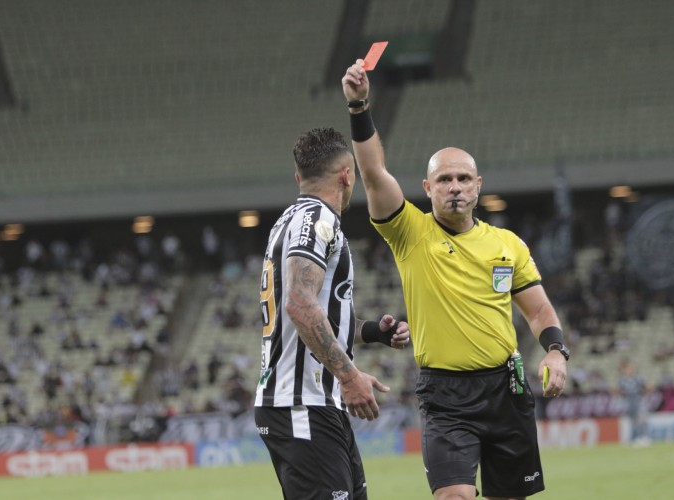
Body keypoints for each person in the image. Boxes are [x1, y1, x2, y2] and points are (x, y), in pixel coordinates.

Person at [341, 61, 569, 500]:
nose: (455, 187)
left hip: (507, 388)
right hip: (445, 396)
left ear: (479, 185)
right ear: (427, 187)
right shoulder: (410, 233)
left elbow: (539, 311)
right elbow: (372, 174)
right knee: (454, 496)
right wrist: (358, 105)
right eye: (444, 179)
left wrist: (556, 353)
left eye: (464, 178)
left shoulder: (508, 245)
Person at [254, 127, 410, 500]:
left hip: (312, 403)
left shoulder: (289, 221)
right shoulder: (318, 221)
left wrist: (372, 331)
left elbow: (315, 311)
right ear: (347, 174)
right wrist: (348, 374)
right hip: (301, 403)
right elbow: (299, 304)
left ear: (298, 177)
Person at [618, 360, 651, 446]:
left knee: (641, 419)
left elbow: (646, 387)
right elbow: (621, 391)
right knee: (633, 421)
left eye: (630, 369)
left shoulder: (638, 378)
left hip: (638, 400)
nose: (628, 371)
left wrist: (642, 395)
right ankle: (636, 437)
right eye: (627, 370)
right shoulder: (622, 380)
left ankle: (644, 437)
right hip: (629, 401)